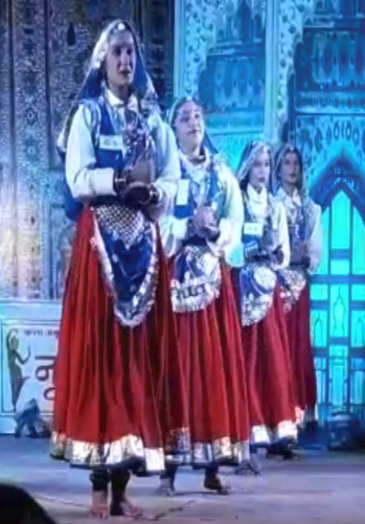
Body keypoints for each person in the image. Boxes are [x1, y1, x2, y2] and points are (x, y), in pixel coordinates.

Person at [51, 19, 187, 519]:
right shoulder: (88, 116)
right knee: (101, 358)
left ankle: (123, 487)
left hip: (143, 246)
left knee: (137, 361)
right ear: (102, 62)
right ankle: (97, 485)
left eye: (131, 52)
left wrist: (155, 193)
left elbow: (173, 178)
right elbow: (78, 178)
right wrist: (120, 179)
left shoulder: (153, 120)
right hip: (101, 250)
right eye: (117, 53)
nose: (126, 61)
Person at [157, 97, 250, 495]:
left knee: (215, 368)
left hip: (213, 280)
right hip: (175, 279)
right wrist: (186, 226)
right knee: (176, 368)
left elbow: (236, 221)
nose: (193, 121)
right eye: (184, 117)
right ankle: (169, 468)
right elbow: (158, 221)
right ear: (173, 127)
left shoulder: (222, 173)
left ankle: (213, 465)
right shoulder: (166, 173)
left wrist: (215, 231)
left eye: (197, 115)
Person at [227, 140, 298, 475]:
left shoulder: (275, 206)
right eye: (257, 164)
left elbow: (284, 252)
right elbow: (230, 247)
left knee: (267, 365)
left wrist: (275, 253)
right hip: (240, 289)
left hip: (267, 292)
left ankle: (261, 435)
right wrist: (250, 249)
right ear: (246, 168)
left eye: (267, 165)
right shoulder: (237, 201)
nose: (263, 171)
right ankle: (239, 439)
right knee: (242, 362)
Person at [272, 143, 322, 458]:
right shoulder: (271, 204)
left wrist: (302, 255)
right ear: (278, 170)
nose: (292, 168)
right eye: (287, 163)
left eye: (296, 163)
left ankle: (292, 425)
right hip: (275, 286)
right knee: (277, 353)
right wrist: (288, 253)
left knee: (297, 350)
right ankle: (273, 423)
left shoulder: (310, 208)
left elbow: (314, 252)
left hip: (299, 286)